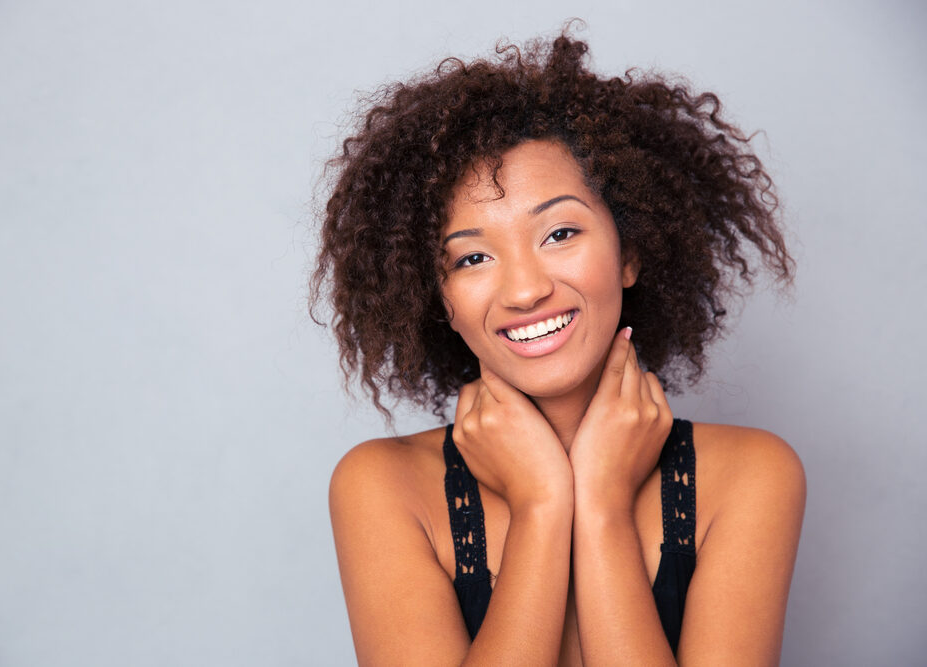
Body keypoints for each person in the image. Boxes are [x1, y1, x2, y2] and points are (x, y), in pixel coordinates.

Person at [312, 29, 806, 665]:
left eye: (560, 232)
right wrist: (544, 505)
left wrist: (599, 501)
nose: (525, 290)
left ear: (629, 252)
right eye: (473, 257)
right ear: (437, 298)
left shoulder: (752, 476)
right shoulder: (382, 487)